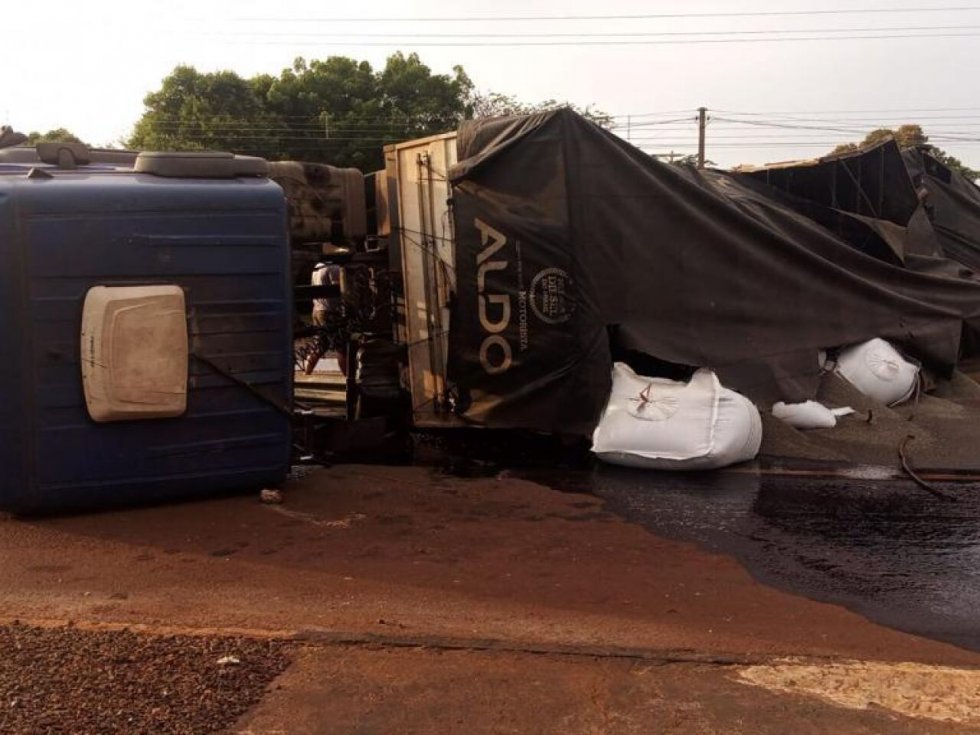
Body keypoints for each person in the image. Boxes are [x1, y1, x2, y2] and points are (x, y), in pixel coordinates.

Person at [305, 262, 347, 375]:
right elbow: (339, 290)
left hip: (317, 310)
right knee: (341, 346)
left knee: (320, 345)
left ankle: (307, 373)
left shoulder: (317, 267)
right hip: (329, 311)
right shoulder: (334, 268)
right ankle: (347, 378)